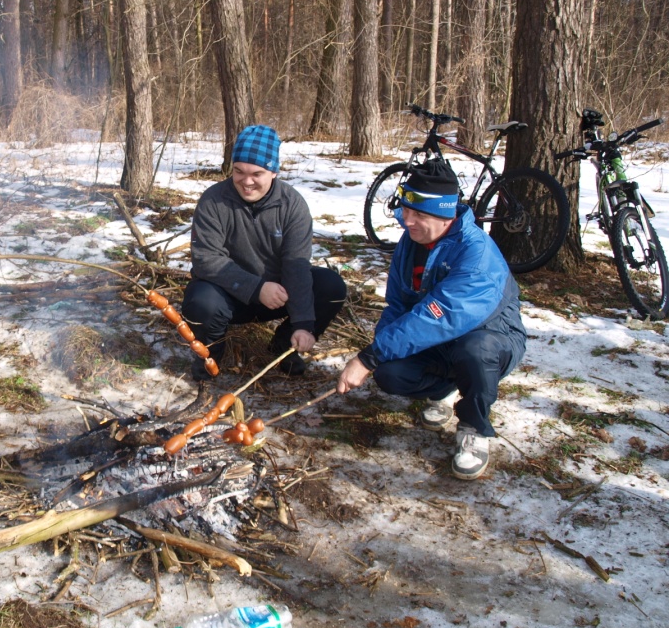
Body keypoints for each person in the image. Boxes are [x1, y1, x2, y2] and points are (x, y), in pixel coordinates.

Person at [335, 160, 526, 480]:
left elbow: (439, 316)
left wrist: (368, 357)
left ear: (445, 215)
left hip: (490, 336)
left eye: (418, 215)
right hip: (437, 339)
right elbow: (398, 303)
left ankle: (474, 427)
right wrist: (380, 352)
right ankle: (444, 390)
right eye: (406, 210)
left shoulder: (475, 254)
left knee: (475, 352)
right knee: (390, 374)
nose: (407, 221)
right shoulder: (412, 241)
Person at [182, 125, 348, 380]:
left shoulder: (292, 205)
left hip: (277, 297)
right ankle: (211, 356)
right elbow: (206, 259)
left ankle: (284, 346)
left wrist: (304, 324)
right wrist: (256, 288)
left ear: (274, 171)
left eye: (256, 173)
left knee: (331, 287)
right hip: (228, 296)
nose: (246, 182)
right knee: (200, 300)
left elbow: (296, 265)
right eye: (239, 171)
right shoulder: (214, 200)